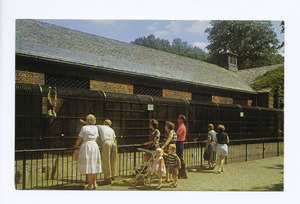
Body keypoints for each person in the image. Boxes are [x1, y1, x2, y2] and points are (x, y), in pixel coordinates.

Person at [74, 114, 102, 190]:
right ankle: (95, 183)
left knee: (89, 165)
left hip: (87, 145)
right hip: (94, 145)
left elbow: (80, 138)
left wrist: (76, 145)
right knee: (93, 164)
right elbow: (96, 137)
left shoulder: (84, 128)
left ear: (87, 120)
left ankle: (90, 185)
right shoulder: (95, 128)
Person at [97, 119, 118, 185]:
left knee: (106, 161)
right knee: (113, 160)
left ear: (105, 123)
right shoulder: (112, 130)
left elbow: (92, 124)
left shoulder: (101, 127)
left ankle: (107, 178)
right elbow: (114, 138)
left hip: (107, 142)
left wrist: (83, 122)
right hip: (113, 143)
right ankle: (113, 175)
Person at [176, 115, 188, 179]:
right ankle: (181, 173)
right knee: (180, 158)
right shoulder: (182, 126)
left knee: (180, 158)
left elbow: (177, 135)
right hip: (180, 143)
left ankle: (182, 173)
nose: (177, 120)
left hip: (179, 143)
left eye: (179, 119)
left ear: (181, 120)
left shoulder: (181, 127)